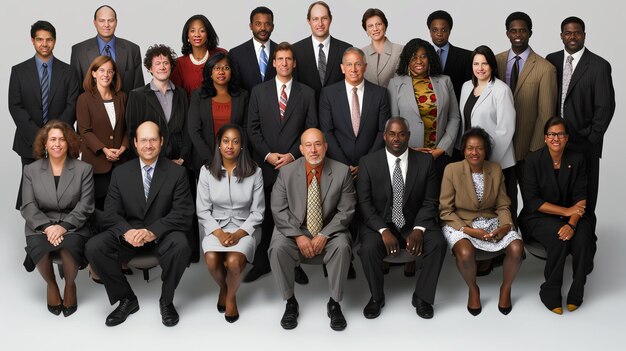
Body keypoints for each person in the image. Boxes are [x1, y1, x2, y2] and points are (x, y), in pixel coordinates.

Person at [86, 121, 194, 327]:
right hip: (130, 235)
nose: (148, 145)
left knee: (181, 244)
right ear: (135, 143)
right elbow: (110, 213)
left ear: (161, 142)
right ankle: (126, 298)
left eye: (153, 139)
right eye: (143, 140)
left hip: (162, 234)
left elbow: (183, 213)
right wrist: (127, 232)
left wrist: (152, 231)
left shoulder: (177, 173)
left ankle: (167, 300)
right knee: (94, 246)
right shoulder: (120, 173)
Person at [357, 117, 446, 320]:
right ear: (384, 136)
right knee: (368, 248)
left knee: (438, 243)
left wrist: (418, 230)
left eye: (401, 134)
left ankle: (422, 297)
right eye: (392, 134)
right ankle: (376, 297)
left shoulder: (425, 161)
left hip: (414, 221)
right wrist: (383, 230)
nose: (396, 138)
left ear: (408, 136)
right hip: (381, 222)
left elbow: (430, 201)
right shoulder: (368, 162)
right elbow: (364, 203)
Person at [268, 128, 356, 331]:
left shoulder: (342, 171)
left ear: (325, 146)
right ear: (301, 149)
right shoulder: (286, 172)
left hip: (330, 229)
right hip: (295, 229)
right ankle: (290, 302)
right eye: (308, 145)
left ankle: (334, 303)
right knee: (278, 246)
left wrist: (325, 234)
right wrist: (298, 236)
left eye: (318, 144)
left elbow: (347, 210)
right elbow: (278, 210)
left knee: (342, 246)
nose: (313, 150)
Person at [245, 42, 318, 283]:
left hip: (294, 166)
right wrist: (268, 154)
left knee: (294, 216)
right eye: (280, 59)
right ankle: (261, 262)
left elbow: (310, 129)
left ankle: (294, 262)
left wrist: (292, 156)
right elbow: (252, 128)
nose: (284, 63)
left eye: (289, 59)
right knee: (265, 217)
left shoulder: (306, 93)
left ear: (294, 63)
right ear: (274, 62)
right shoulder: (259, 91)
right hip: (265, 166)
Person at [439, 127, 523, 316]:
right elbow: (445, 210)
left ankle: (506, 288)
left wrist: (505, 226)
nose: (474, 152)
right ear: (463, 150)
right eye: (470, 148)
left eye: (479, 148)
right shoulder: (451, 170)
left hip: (490, 220)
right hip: (460, 222)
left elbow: (502, 205)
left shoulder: (495, 169)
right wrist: (468, 230)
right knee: (466, 253)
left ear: (486, 151)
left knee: (517, 248)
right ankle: (473, 288)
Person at [519, 117, 595, 315]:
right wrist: (565, 212)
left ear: (567, 138)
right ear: (545, 138)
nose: (556, 138)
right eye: (552, 134)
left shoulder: (576, 159)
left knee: (583, 237)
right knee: (559, 238)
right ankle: (550, 292)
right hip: (537, 216)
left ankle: (577, 289)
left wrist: (571, 223)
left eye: (561, 134)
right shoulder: (533, 160)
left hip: (573, 216)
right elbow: (532, 201)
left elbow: (581, 197)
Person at [546, 16, 615, 232]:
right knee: (557, 193)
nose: (572, 37)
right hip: (556, 143)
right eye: (568, 33)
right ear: (561, 36)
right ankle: (558, 239)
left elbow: (605, 107)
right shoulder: (552, 60)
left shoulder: (599, 66)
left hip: (585, 144)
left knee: (585, 196)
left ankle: (585, 242)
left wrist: (591, 140)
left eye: (577, 33)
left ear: (584, 35)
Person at [21, 120, 94, 317]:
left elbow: (86, 205)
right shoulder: (31, 170)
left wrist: (63, 227)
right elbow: (27, 206)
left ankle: (70, 286)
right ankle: (52, 285)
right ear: (44, 144)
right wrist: (48, 227)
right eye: (52, 139)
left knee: (70, 245)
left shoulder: (83, 169)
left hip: (73, 224)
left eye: (62, 139)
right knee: (39, 246)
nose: (57, 143)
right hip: (40, 225)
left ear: (69, 142)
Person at [197, 124, 264, 323]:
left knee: (234, 262)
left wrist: (237, 234)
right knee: (210, 259)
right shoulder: (206, 171)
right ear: (218, 145)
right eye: (225, 141)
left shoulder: (254, 171)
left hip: (244, 227)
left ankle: (231, 297)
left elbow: (258, 212)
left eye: (235, 141)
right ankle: (224, 289)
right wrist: (219, 233)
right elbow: (202, 210)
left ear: (242, 146)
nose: (230, 146)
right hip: (215, 226)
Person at [9, 20, 79, 209]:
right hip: (29, 141)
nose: (44, 44)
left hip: (61, 141)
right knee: (31, 192)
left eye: (49, 40)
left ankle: (60, 232)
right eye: (40, 39)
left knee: (61, 191)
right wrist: (40, 138)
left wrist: (54, 137)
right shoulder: (18, 71)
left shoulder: (69, 72)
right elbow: (15, 107)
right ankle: (35, 233)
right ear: (33, 41)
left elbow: (72, 105)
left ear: (55, 41)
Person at [495, 11, 557, 223]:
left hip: (528, 148)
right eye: (514, 30)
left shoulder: (545, 68)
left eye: (522, 30)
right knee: (502, 199)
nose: (518, 34)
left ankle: (533, 239)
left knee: (532, 198)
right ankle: (507, 242)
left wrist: (534, 150)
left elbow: (546, 114)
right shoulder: (495, 62)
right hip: (499, 147)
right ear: (507, 33)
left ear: (530, 33)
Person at [387, 38, 460, 180]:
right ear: (407, 60)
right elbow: (393, 122)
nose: (419, 61)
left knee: (440, 199)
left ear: (430, 58)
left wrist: (442, 148)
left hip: (439, 155)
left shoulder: (445, 81)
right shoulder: (395, 84)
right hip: (408, 154)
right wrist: (406, 149)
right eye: (414, 57)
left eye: (423, 56)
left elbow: (454, 117)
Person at [319, 47, 390, 175]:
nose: (353, 69)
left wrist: (366, 163)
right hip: (337, 166)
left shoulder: (380, 94)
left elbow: (382, 131)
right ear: (342, 68)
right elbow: (327, 132)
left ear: (365, 67)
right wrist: (344, 165)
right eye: (349, 64)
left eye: (358, 64)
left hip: (371, 167)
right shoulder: (328, 94)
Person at [459, 45, 516, 197]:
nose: (480, 68)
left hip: (498, 161)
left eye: (485, 63)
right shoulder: (466, 87)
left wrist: (488, 160)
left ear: (492, 65)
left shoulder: (501, 90)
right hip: (474, 159)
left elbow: (506, 129)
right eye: (476, 64)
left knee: (502, 207)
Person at [76, 55, 129, 210]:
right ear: (93, 73)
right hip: (96, 162)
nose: (106, 75)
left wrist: (124, 147)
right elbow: (84, 131)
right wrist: (104, 150)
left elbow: (128, 127)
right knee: (98, 209)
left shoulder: (122, 97)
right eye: (101, 70)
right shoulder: (84, 99)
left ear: (114, 74)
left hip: (120, 162)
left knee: (120, 207)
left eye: (110, 71)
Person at [126, 44, 190, 166]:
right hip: (150, 161)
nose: (162, 67)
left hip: (179, 161)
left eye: (166, 63)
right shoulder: (137, 96)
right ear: (150, 68)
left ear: (171, 66)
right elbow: (132, 133)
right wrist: (147, 161)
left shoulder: (181, 94)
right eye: (157, 63)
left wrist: (182, 158)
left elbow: (187, 129)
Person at [188, 52, 248, 174]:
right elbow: (194, 130)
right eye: (216, 68)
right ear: (210, 72)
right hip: (205, 162)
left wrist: (237, 157)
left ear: (232, 71)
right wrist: (211, 160)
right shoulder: (198, 95)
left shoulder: (243, 96)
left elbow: (246, 129)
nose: (221, 72)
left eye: (226, 68)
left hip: (236, 161)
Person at [71, 5, 144, 95]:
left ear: (116, 22)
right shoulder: (79, 51)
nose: (106, 25)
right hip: (91, 108)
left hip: (126, 107)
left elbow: (139, 90)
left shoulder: (132, 49)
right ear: (94, 23)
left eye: (110, 20)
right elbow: (75, 91)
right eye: (102, 21)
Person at [292, 1, 352, 102]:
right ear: (309, 21)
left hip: (337, 112)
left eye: (324, 18)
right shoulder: (296, 50)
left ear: (330, 19)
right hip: (306, 113)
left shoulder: (345, 49)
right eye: (315, 19)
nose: (320, 24)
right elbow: (294, 87)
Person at [171, 14, 228, 97]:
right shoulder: (179, 64)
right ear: (187, 35)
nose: (197, 34)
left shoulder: (221, 54)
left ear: (208, 34)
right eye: (192, 31)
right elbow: (177, 96)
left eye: (202, 31)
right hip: (191, 109)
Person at [426, 10, 472, 104]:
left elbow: (469, 89)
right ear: (430, 32)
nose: (439, 34)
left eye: (444, 30)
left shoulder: (466, 57)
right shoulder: (421, 57)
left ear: (450, 31)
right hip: (428, 110)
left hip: (457, 109)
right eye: (435, 30)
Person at [229, 6, 277, 92]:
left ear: (272, 27)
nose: (263, 28)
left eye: (267, 24)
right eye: (258, 24)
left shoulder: (281, 52)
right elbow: (234, 89)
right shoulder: (236, 54)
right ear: (251, 26)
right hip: (247, 104)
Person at [360, 8, 403, 88]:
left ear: (385, 26)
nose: (375, 29)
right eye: (370, 26)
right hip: (368, 100)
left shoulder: (400, 50)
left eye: (378, 24)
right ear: (366, 30)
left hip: (393, 99)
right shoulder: (361, 54)